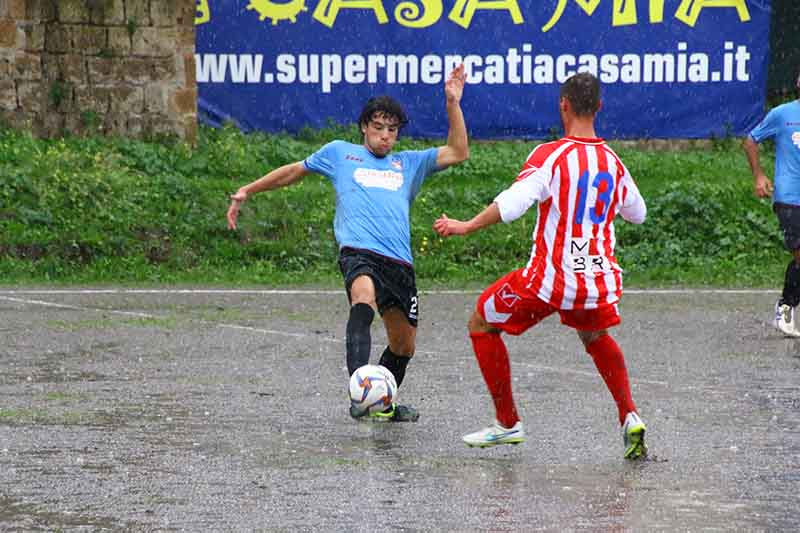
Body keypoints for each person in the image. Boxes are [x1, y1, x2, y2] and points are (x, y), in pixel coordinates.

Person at [227, 64, 469, 422]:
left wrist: (452, 103)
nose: (385, 136)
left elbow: (458, 151)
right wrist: (249, 189)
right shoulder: (340, 153)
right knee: (363, 297)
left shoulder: (409, 163)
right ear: (364, 128)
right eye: (378, 128)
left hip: (399, 263)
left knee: (404, 345)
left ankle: (382, 406)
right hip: (358, 252)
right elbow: (294, 171)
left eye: (392, 130)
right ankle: (360, 389)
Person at [433, 72, 648, 459]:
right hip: (596, 278)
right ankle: (629, 414)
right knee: (595, 336)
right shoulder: (612, 161)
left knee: (481, 321)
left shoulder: (550, 156)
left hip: (550, 279)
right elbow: (638, 214)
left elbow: (513, 205)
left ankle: (506, 423)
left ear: (563, 104)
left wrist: (466, 225)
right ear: (599, 107)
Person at [742, 70, 800, 337]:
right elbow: (751, 140)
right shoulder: (782, 114)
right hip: (789, 197)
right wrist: (759, 176)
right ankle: (786, 307)